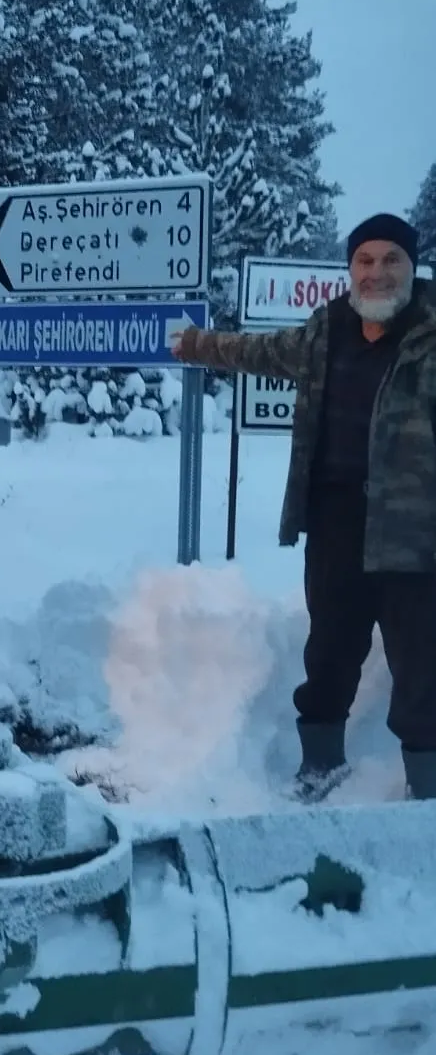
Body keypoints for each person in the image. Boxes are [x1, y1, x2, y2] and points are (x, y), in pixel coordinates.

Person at [170, 213, 436, 801]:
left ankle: (427, 795)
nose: (377, 273)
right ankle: (320, 767)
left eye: (391, 259)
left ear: (412, 268)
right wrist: (194, 345)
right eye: (365, 261)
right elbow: (260, 351)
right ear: (349, 271)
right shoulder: (326, 331)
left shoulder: (430, 334)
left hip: (415, 535)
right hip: (335, 521)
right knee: (330, 651)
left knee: (422, 668)